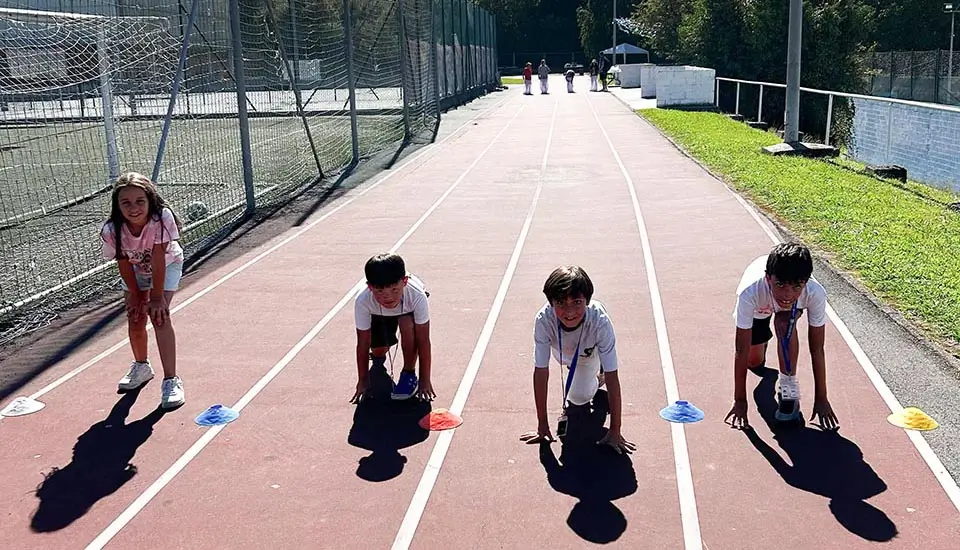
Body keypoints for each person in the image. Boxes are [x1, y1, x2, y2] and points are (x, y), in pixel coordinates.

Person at [520, 265, 635, 454]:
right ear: (551, 303)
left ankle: (598, 376)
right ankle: (590, 374)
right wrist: (542, 425)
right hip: (562, 352)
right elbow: (541, 372)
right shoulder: (543, 320)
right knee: (574, 381)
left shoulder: (600, 322)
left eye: (577, 302)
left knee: (579, 397)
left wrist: (615, 430)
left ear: (587, 301)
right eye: (561, 303)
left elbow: (614, 378)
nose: (569, 311)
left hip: (589, 353)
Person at [725, 242, 839, 430]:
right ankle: (766, 343)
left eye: (797, 286)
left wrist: (822, 399)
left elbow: (817, 348)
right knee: (753, 362)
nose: (788, 294)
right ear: (768, 279)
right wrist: (740, 400)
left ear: (806, 281)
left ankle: (788, 389)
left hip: (789, 312)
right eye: (780, 284)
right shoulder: (750, 293)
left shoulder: (814, 292)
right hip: (760, 309)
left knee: (784, 323)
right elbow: (741, 349)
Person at [100, 172, 185, 410]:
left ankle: (171, 380)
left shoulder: (160, 219)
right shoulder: (112, 229)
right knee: (135, 315)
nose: (133, 208)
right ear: (117, 206)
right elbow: (123, 261)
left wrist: (156, 298)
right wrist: (137, 296)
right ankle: (141, 366)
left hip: (166, 265)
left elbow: (158, 257)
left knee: (159, 316)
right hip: (136, 268)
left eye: (139, 201)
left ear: (150, 200)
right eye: (125, 203)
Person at [352, 253, 435, 403]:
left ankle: (408, 373)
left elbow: (423, 340)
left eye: (394, 290)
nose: (388, 297)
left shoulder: (417, 296)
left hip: (406, 311)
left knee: (406, 323)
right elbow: (362, 344)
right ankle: (380, 352)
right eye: (379, 291)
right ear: (370, 287)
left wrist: (425, 379)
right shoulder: (362, 301)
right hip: (377, 313)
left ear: (404, 282)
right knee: (379, 351)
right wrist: (362, 380)